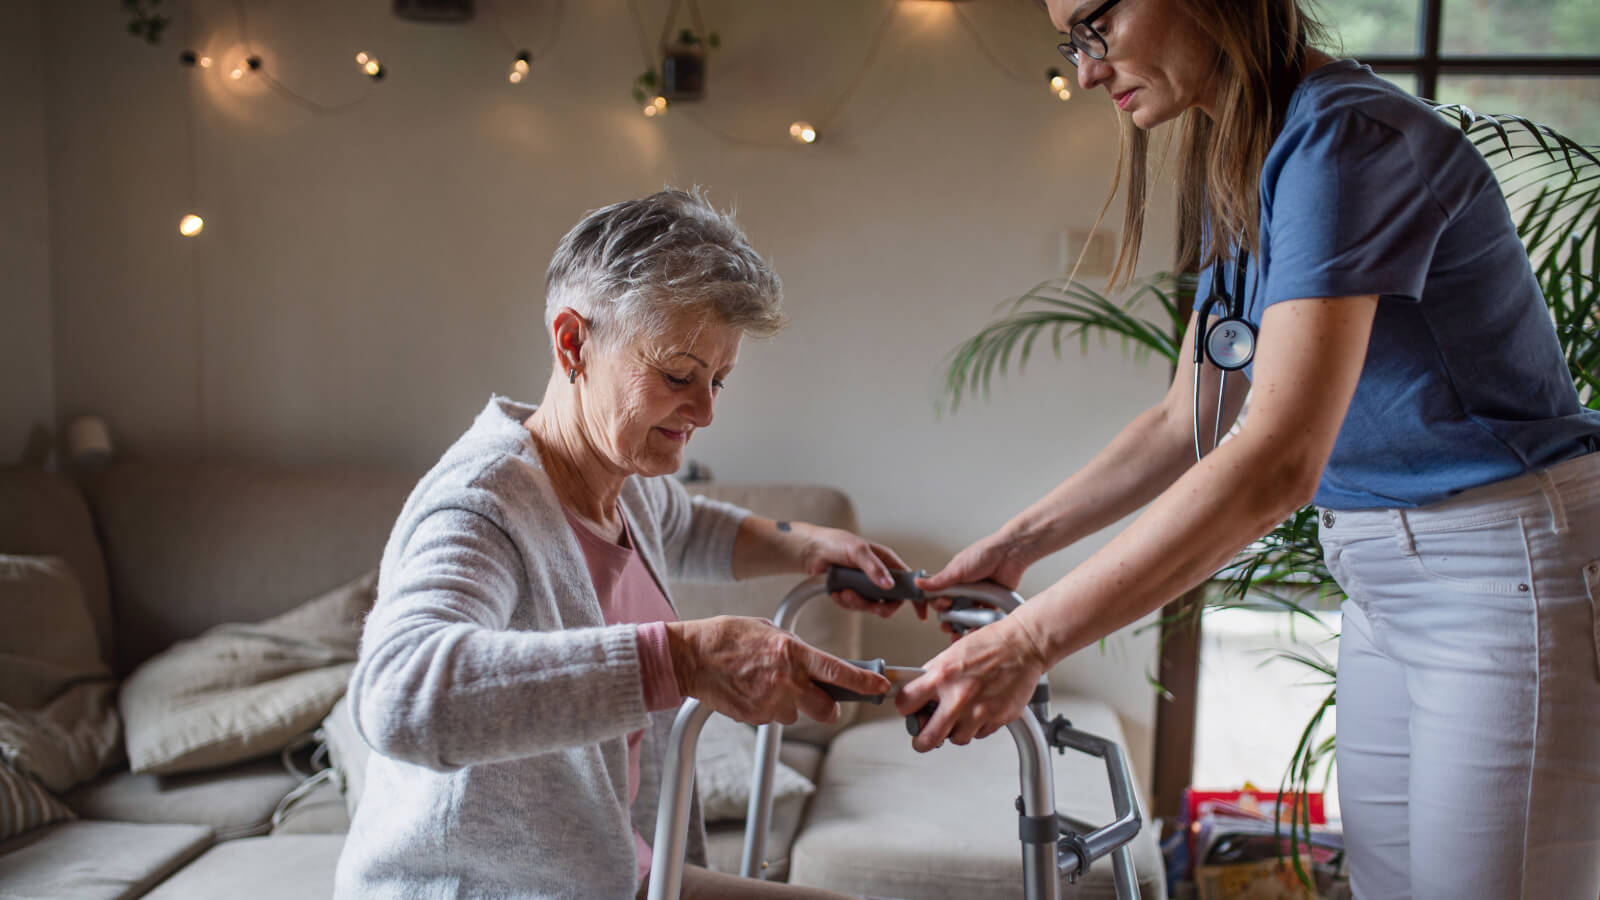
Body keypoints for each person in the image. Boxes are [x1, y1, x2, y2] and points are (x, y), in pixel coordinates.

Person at [896, 2, 1600, 898]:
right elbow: (1189, 412)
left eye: (1092, 27)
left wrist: (1031, 640)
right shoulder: (1256, 151)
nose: (1085, 70)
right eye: (1070, 43)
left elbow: (1276, 457)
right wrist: (1018, 547)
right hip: (1386, 580)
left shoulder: (1347, 139)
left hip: (1502, 571)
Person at [335, 189, 916, 900]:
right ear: (573, 342)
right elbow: (402, 694)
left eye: (717, 381)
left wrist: (807, 545)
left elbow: (691, 525)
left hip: (614, 873)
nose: (704, 411)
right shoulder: (482, 504)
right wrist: (683, 659)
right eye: (677, 376)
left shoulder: (624, 475)